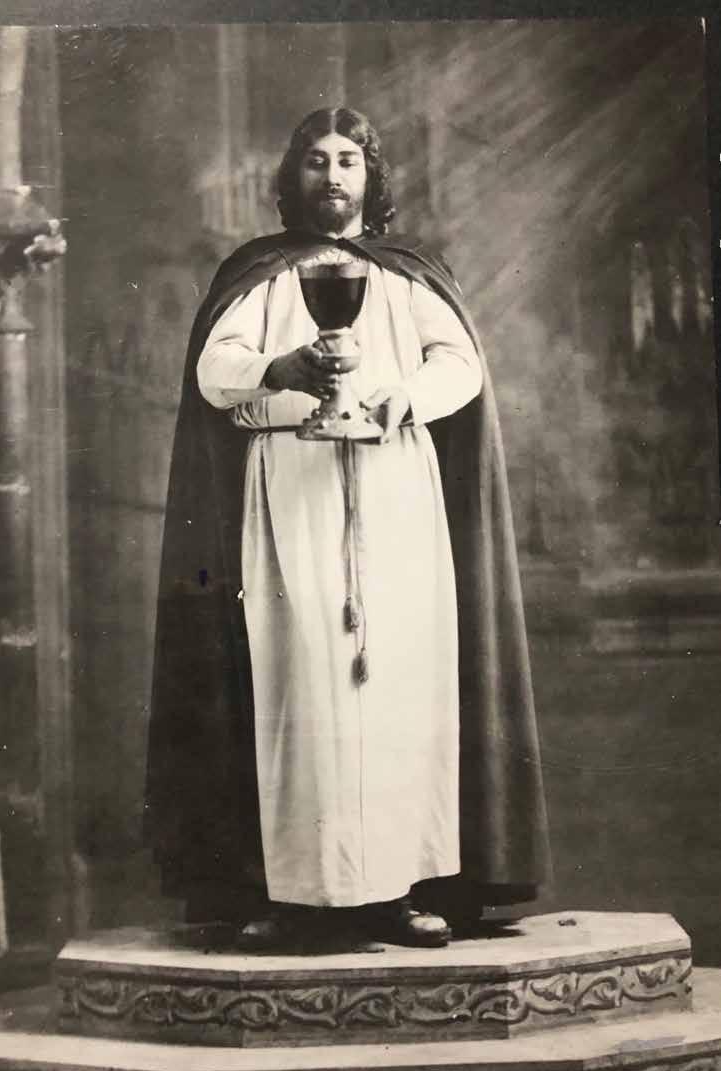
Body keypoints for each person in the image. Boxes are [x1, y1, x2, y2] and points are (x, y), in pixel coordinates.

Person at [143, 107, 551, 950]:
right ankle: (293, 895)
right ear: (292, 178)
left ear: (371, 176)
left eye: (348, 161)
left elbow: (459, 364)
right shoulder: (259, 275)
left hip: (398, 488)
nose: (332, 175)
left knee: (399, 689)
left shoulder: (407, 275)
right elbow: (216, 370)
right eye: (316, 161)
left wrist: (407, 397)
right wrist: (280, 368)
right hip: (288, 492)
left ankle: (400, 891)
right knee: (297, 686)